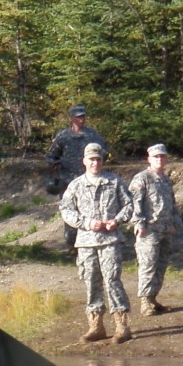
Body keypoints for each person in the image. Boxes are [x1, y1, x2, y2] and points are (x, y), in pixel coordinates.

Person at [59, 142, 135, 343]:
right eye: (91, 159)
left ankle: (122, 326)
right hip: (86, 242)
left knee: (112, 280)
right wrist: (86, 223)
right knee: (91, 281)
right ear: (84, 161)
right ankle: (96, 326)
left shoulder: (114, 181)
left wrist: (116, 221)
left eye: (98, 159)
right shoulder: (76, 185)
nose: (95, 163)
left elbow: (129, 205)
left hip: (110, 240)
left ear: (102, 161)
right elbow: (66, 210)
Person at [47, 105, 110, 251]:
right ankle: (71, 244)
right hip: (67, 181)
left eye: (83, 116)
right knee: (69, 211)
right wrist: (55, 165)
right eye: (78, 117)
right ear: (72, 118)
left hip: (89, 180)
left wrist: (96, 163)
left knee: (90, 211)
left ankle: (89, 244)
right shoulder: (63, 136)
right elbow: (51, 156)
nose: (82, 120)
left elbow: (105, 151)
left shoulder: (93, 136)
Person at [129, 143, 182, 317]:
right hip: (149, 230)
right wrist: (140, 224)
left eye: (162, 156)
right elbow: (134, 203)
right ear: (149, 159)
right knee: (148, 265)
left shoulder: (166, 180)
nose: (159, 159)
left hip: (165, 229)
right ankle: (144, 301)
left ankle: (152, 298)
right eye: (156, 157)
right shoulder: (142, 178)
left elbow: (172, 204)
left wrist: (175, 222)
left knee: (161, 265)